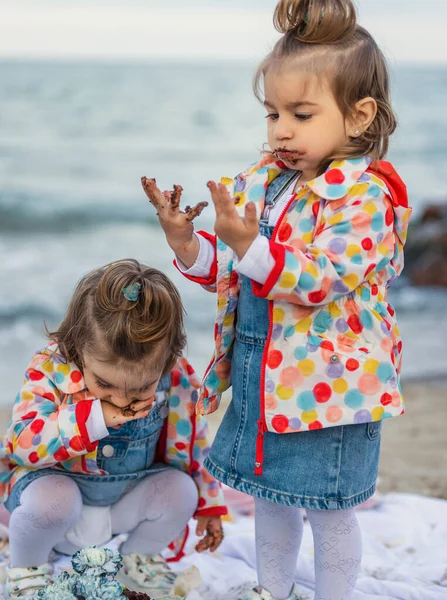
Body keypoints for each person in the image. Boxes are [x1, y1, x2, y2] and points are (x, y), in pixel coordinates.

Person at [142, 0, 413, 598]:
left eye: (301, 113)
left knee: (328, 507)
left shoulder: (366, 196)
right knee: (271, 496)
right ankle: (271, 589)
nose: (281, 130)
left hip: (329, 387)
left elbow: (320, 276)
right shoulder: (268, 181)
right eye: (272, 114)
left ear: (359, 115)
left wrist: (249, 245)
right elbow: (234, 271)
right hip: (263, 376)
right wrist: (189, 242)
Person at [0, 259, 227, 599]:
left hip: (121, 506)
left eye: (140, 388)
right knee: (55, 501)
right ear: (77, 347)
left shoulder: (176, 379)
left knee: (181, 490)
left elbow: (194, 444)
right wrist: (93, 418)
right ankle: (27, 566)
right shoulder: (51, 369)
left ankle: (137, 558)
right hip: (54, 508)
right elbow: (20, 442)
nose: (121, 398)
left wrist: (209, 504)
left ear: (168, 361)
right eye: (104, 384)